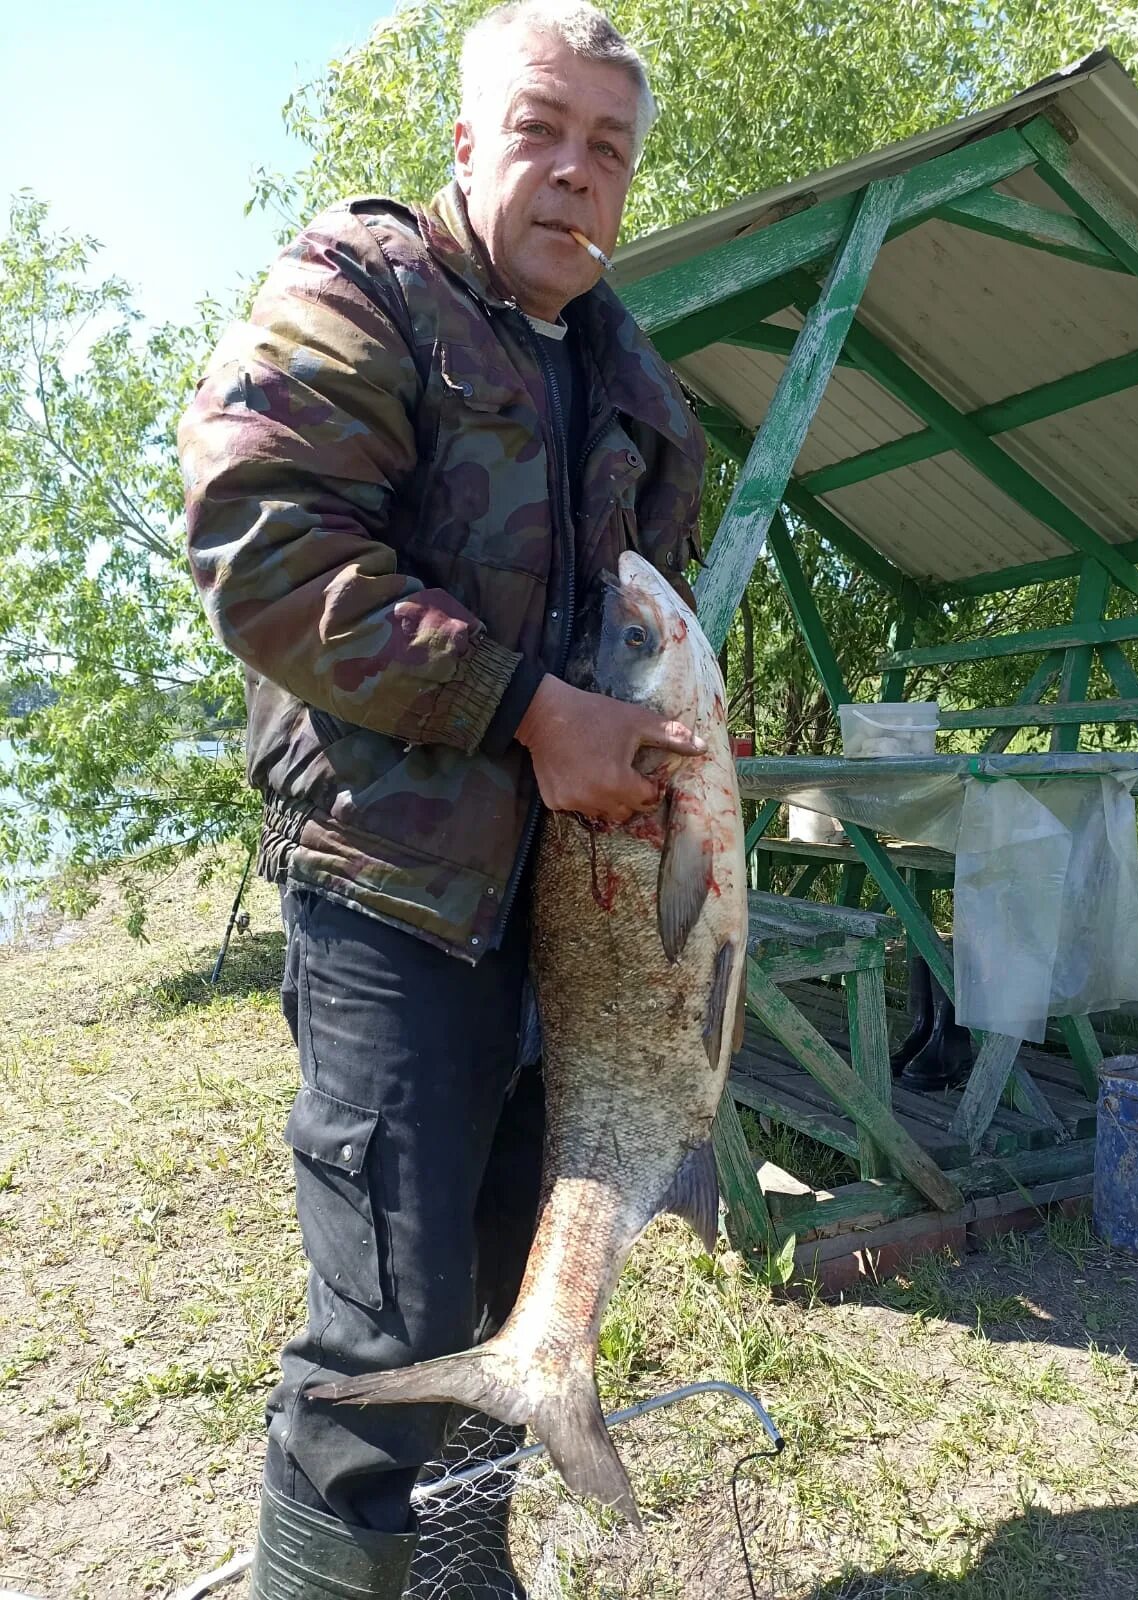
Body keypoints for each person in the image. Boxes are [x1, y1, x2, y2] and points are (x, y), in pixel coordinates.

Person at [177, 4, 706, 1596]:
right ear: (466, 142)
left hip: (573, 922)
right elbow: (261, 552)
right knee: (386, 1317)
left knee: (502, 1284)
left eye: (606, 148)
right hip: (393, 888)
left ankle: (461, 1571)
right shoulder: (357, 291)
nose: (572, 172)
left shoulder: (632, 376)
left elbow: (642, 615)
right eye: (539, 130)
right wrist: (534, 713)